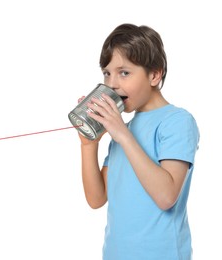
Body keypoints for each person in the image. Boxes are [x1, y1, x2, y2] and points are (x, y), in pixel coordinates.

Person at [76, 23, 200, 260]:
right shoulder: (123, 129)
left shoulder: (177, 121)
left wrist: (122, 134)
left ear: (154, 75)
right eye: (107, 72)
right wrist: (88, 145)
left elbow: (166, 196)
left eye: (124, 72)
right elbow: (97, 198)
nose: (112, 84)